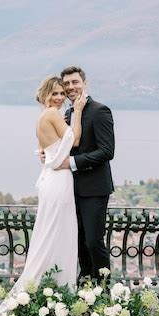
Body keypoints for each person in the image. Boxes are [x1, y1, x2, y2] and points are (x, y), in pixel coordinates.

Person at [0, 75, 86, 316]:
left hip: (52, 180)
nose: (59, 97)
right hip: (59, 181)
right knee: (58, 237)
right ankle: (57, 297)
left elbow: (48, 151)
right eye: (54, 93)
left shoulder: (42, 117)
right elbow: (74, 140)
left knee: (53, 237)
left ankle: (46, 298)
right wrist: (77, 111)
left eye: (61, 93)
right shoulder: (53, 114)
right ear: (44, 94)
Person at [56, 66, 114, 283]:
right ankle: (86, 282)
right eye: (67, 84)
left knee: (93, 241)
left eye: (75, 82)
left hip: (95, 189)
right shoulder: (70, 114)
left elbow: (107, 151)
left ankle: (104, 286)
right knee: (78, 240)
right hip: (72, 189)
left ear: (84, 83)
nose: (71, 87)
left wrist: (71, 162)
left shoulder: (100, 111)